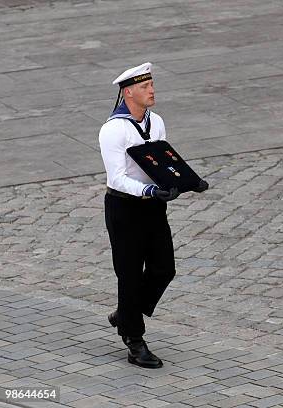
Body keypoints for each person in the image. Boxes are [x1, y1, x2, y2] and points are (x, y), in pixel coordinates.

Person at [99, 62, 206, 368]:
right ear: (128, 91)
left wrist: (183, 183)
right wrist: (148, 191)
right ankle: (134, 340)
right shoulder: (113, 130)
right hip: (124, 208)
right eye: (145, 87)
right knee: (129, 274)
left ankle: (125, 311)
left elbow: (161, 160)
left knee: (164, 268)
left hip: (154, 207)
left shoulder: (155, 122)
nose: (152, 90)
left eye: (152, 85)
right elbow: (116, 177)